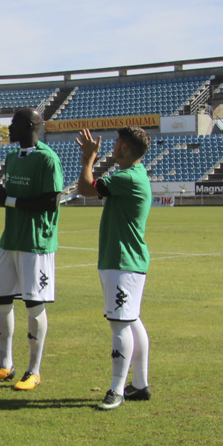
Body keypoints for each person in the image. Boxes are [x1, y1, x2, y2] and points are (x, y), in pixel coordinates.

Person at [0, 107, 63, 391]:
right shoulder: (13, 156)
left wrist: (7, 200)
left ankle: (34, 371)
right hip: (10, 239)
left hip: (35, 243)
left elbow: (51, 201)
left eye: (13, 124)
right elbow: (10, 195)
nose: (9, 128)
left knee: (33, 305)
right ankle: (4, 365)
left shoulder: (48, 159)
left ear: (30, 126)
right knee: (0, 301)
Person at [77, 127, 153, 410]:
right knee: (131, 321)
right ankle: (140, 385)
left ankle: (116, 390)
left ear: (124, 149)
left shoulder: (128, 177)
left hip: (123, 262)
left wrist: (88, 159)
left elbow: (85, 188)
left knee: (120, 324)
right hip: (126, 261)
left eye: (117, 143)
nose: (112, 147)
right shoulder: (136, 175)